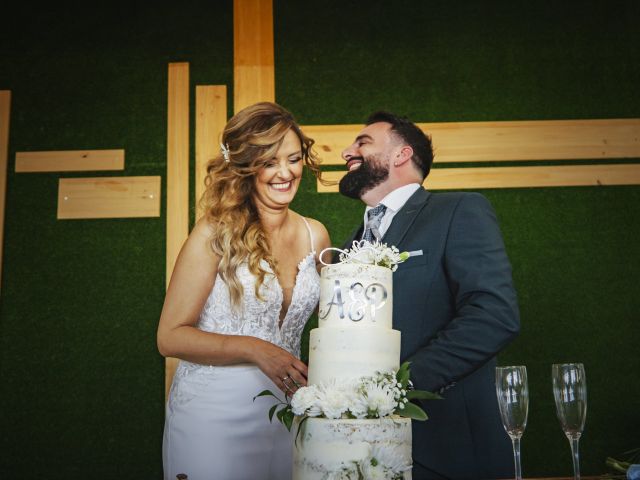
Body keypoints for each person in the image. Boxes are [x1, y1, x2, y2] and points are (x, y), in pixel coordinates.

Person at [339, 111, 520, 480]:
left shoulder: (458, 211)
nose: (346, 151)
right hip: (361, 449)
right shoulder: (351, 244)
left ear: (401, 155)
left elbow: (494, 315)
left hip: (447, 448)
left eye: (363, 142)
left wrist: (399, 387)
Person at [157, 102, 331, 480]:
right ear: (245, 166)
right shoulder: (213, 234)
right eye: (270, 162)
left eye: (294, 158)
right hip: (214, 416)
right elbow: (169, 337)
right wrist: (256, 349)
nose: (285, 173)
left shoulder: (314, 234)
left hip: (289, 414)